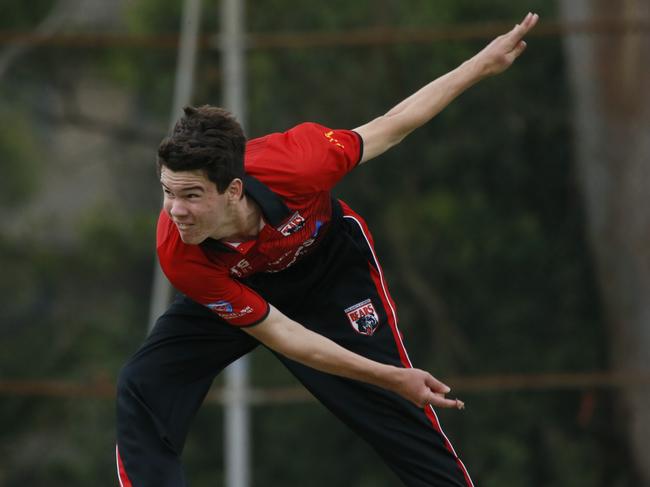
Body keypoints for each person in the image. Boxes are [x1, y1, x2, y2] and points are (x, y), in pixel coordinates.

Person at [116, 12, 539, 487]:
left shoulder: (300, 162)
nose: (175, 210)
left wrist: (481, 64)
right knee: (144, 383)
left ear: (233, 190)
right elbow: (285, 336)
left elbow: (394, 124)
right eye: (167, 192)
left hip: (330, 268)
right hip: (240, 285)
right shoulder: (180, 251)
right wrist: (388, 375)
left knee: (397, 405)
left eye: (191, 195)